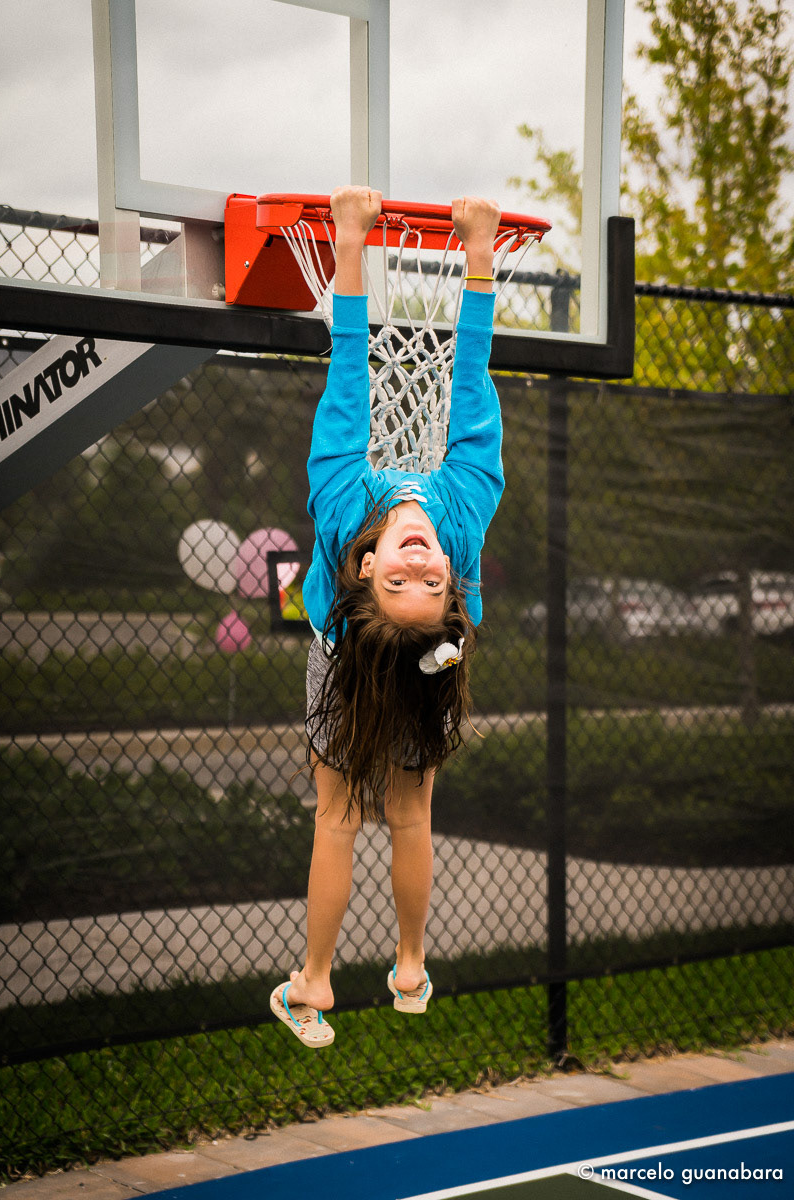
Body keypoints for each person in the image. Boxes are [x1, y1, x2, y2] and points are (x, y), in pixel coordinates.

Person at [270, 185, 504, 1047]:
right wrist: (477, 257)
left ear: (365, 571)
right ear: (451, 582)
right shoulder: (463, 517)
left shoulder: (344, 509)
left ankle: (318, 980)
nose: (418, 565)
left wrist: (349, 241)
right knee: (408, 812)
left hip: (343, 655)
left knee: (339, 816)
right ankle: (405, 965)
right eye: (427, 581)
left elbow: (348, 372)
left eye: (400, 578)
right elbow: (471, 385)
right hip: (408, 662)